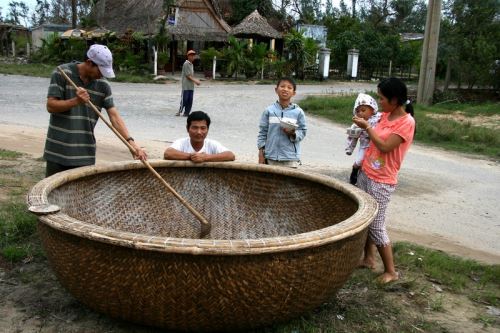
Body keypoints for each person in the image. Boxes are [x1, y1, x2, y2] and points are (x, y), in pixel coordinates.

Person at [44, 44, 147, 177]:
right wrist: (76, 101)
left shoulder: (103, 85)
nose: (101, 75)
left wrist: (132, 145)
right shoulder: (62, 73)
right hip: (57, 152)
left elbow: (114, 117)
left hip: (84, 154)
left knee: (82, 197)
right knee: (52, 196)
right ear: (89, 63)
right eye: (100, 71)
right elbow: (51, 106)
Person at [352, 77, 415, 284]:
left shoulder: (406, 122)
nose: (379, 102)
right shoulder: (384, 115)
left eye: (382, 98)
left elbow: (386, 147)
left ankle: (391, 271)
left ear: (395, 100)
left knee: (377, 224)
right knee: (364, 216)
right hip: (367, 172)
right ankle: (369, 258)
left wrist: (367, 128)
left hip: (383, 180)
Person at [257, 77, 307, 168]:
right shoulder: (269, 111)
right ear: (276, 90)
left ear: (294, 93)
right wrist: (261, 153)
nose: (285, 89)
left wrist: (293, 134)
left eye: (289, 87)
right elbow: (262, 133)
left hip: (290, 159)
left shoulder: (298, 112)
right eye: (282, 86)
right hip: (270, 158)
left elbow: (303, 131)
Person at [164, 111, 235, 162]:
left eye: (203, 128)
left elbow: (230, 155)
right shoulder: (182, 143)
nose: (199, 132)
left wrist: (206, 157)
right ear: (187, 128)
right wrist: (192, 156)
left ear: (208, 129)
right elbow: (168, 153)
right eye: (195, 128)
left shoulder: (212, 144)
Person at [345, 93, 381, 185]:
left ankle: (371, 179)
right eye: (358, 111)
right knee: (360, 160)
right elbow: (352, 137)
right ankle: (354, 169)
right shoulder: (357, 124)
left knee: (375, 164)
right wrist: (349, 149)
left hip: (376, 145)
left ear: (372, 110)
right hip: (364, 146)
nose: (360, 113)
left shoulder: (379, 118)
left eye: (363, 110)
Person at [175, 50, 201, 117]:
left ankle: (186, 113)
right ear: (188, 56)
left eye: (193, 55)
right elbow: (188, 76)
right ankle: (180, 111)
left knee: (190, 100)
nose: (193, 57)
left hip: (191, 86)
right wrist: (196, 81)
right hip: (186, 86)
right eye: (191, 55)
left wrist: (195, 80)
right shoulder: (186, 64)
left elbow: (191, 75)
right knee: (184, 99)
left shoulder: (191, 64)